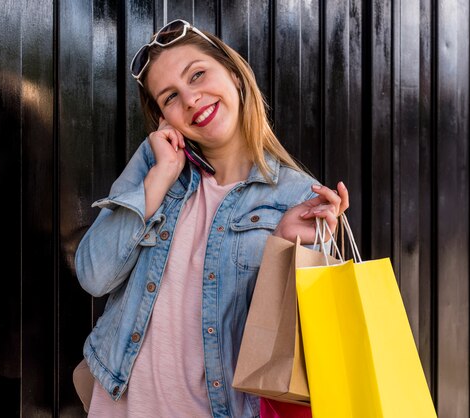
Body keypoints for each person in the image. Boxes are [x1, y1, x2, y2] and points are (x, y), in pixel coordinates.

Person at [75, 19, 349, 417]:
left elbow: (286, 344)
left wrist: (283, 244)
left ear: (235, 75)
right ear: (164, 118)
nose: (190, 99)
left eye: (198, 75)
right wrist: (158, 181)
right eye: (170, 97)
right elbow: (93, 276)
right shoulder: (154, 164)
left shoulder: (298, 197)